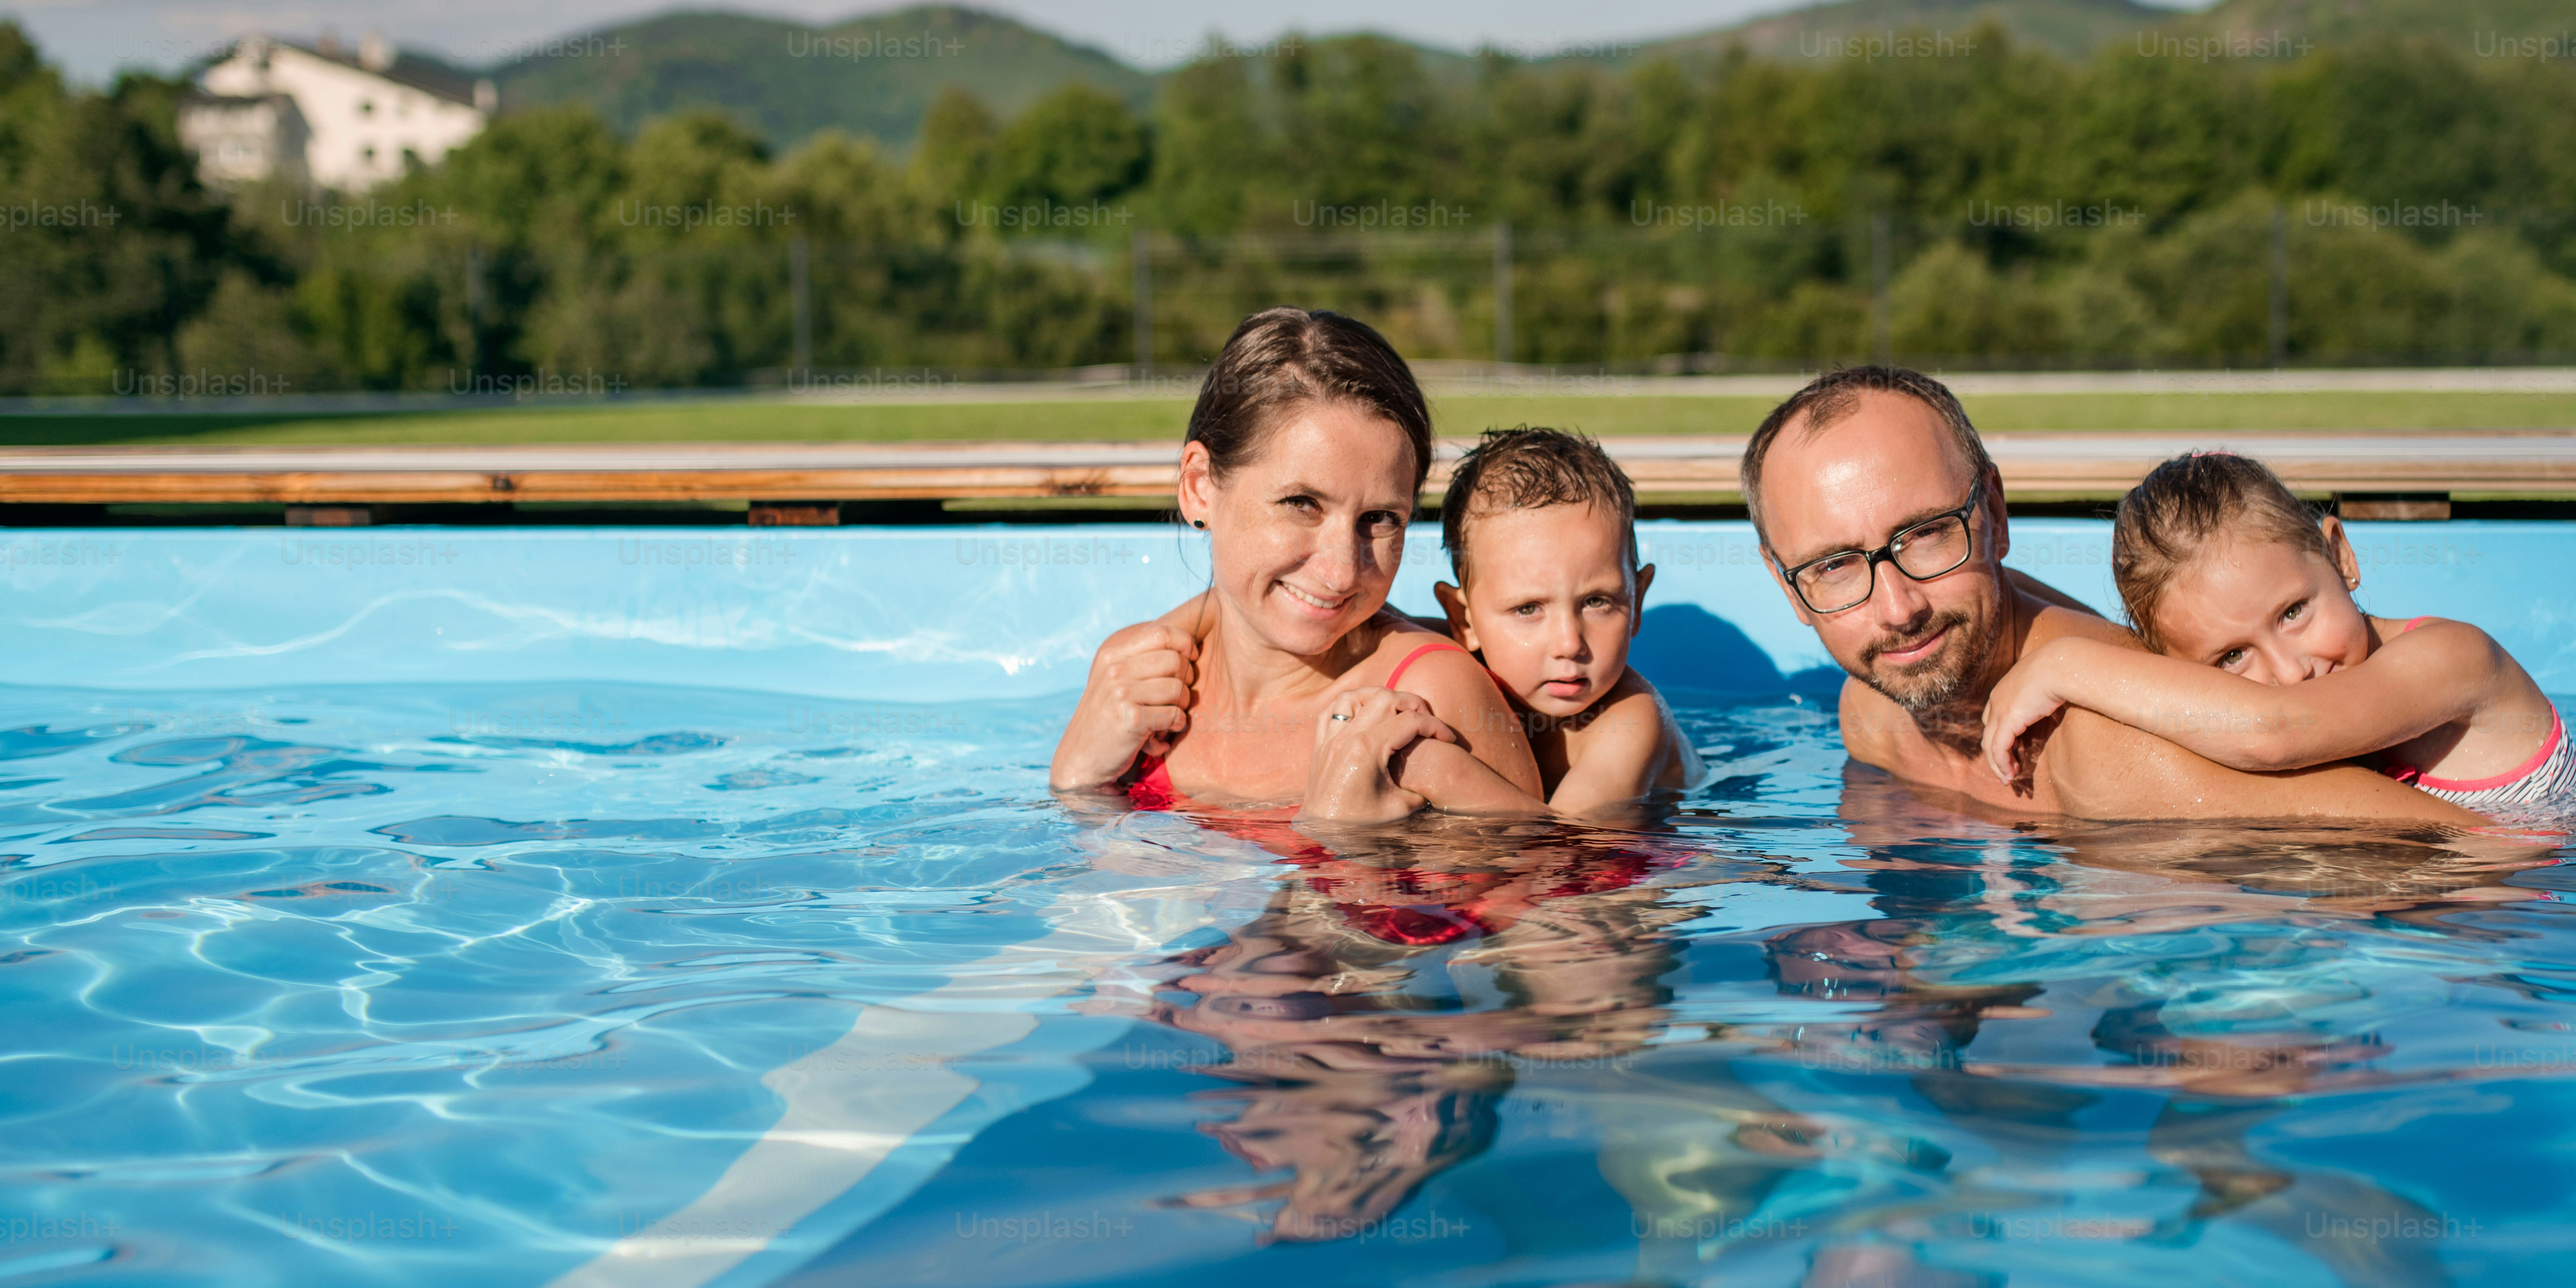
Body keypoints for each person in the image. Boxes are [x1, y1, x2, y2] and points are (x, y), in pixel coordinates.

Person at [1739, 366, 2477, 827]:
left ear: (1994, 514)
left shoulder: (2109, 749)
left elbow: (2480, 854)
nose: (1898, 609)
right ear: (1787, 586)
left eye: (1927, 535)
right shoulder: (1871, 711)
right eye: (1835, 565)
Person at [1048, 307, 1542, 817]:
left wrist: (1343, 840)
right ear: (1199, 486)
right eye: (1302, 504)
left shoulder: (1433, 694)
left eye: (1379, 517)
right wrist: (1076, 776)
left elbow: (1551, 890)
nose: (1341, 571)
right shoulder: (1136, 681)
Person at [1980, 449, 2576, 823]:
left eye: (2293, 612)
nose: (2290, 672)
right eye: (2233, 656)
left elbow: (2274, 730)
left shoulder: (2451, 659)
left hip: (2570, 899)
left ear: (2339, 555)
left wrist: (2060, 665)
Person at [1429, 427, 1697, 816]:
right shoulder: (1449, 662)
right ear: (1462, 619)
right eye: (1528, 609)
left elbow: (1567, 857)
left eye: (1596, 602)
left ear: (1637, 602)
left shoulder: (1630, 722)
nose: (1569, 644)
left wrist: (1440, 774)